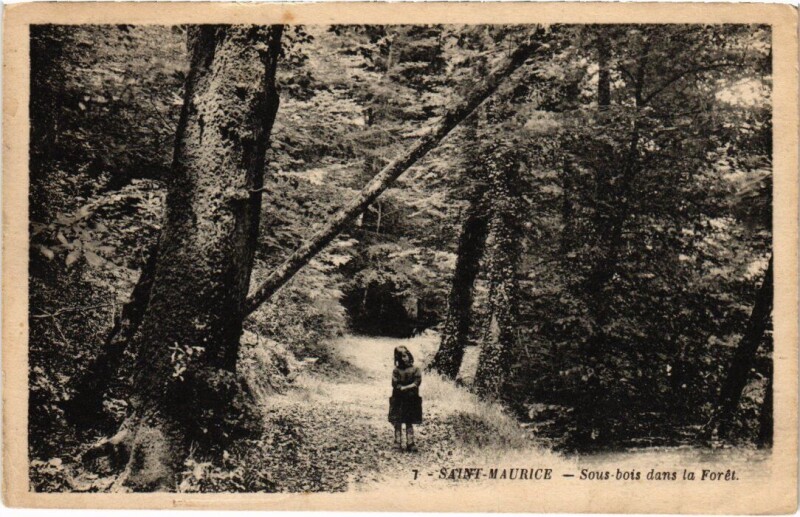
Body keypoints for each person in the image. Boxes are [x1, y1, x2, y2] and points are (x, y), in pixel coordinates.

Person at [388, 345, 422, 452]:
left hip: (411, 399)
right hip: (399, 399)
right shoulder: (396, 371)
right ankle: (397, 442)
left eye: (405, 355)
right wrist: (400, 388)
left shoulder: (415, 369)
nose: (404, 358)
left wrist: (406, 387)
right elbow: (395, 384)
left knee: (409, 420)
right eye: (401, 357)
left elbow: (417, 382)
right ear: (398, 359)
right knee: (398, 420)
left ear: (409, 355)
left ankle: (410, 443)